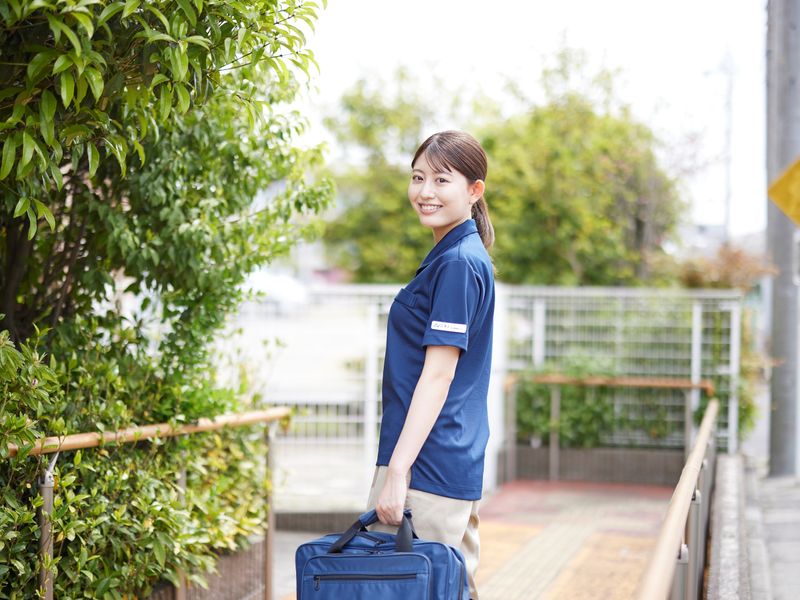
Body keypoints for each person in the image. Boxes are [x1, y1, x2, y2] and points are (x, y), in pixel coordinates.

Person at [365, 130, 495, 600]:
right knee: (446, 588)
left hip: (427, 467)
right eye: (418, 177)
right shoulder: (453, 256)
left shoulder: (458, 263)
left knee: (406, 588)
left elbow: (439, 375)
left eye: (442, 180)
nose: (425, 191)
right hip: (441, 459)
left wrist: (398, 472)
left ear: (474, 190)